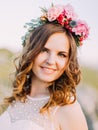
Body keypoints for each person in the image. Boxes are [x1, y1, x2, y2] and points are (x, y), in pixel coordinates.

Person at [0, 3, 89, 130]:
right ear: (31, 51)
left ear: (68, 62)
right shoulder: (19, 96)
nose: (51, 61)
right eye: (44, 50)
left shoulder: (68, 108)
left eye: (61, 54)